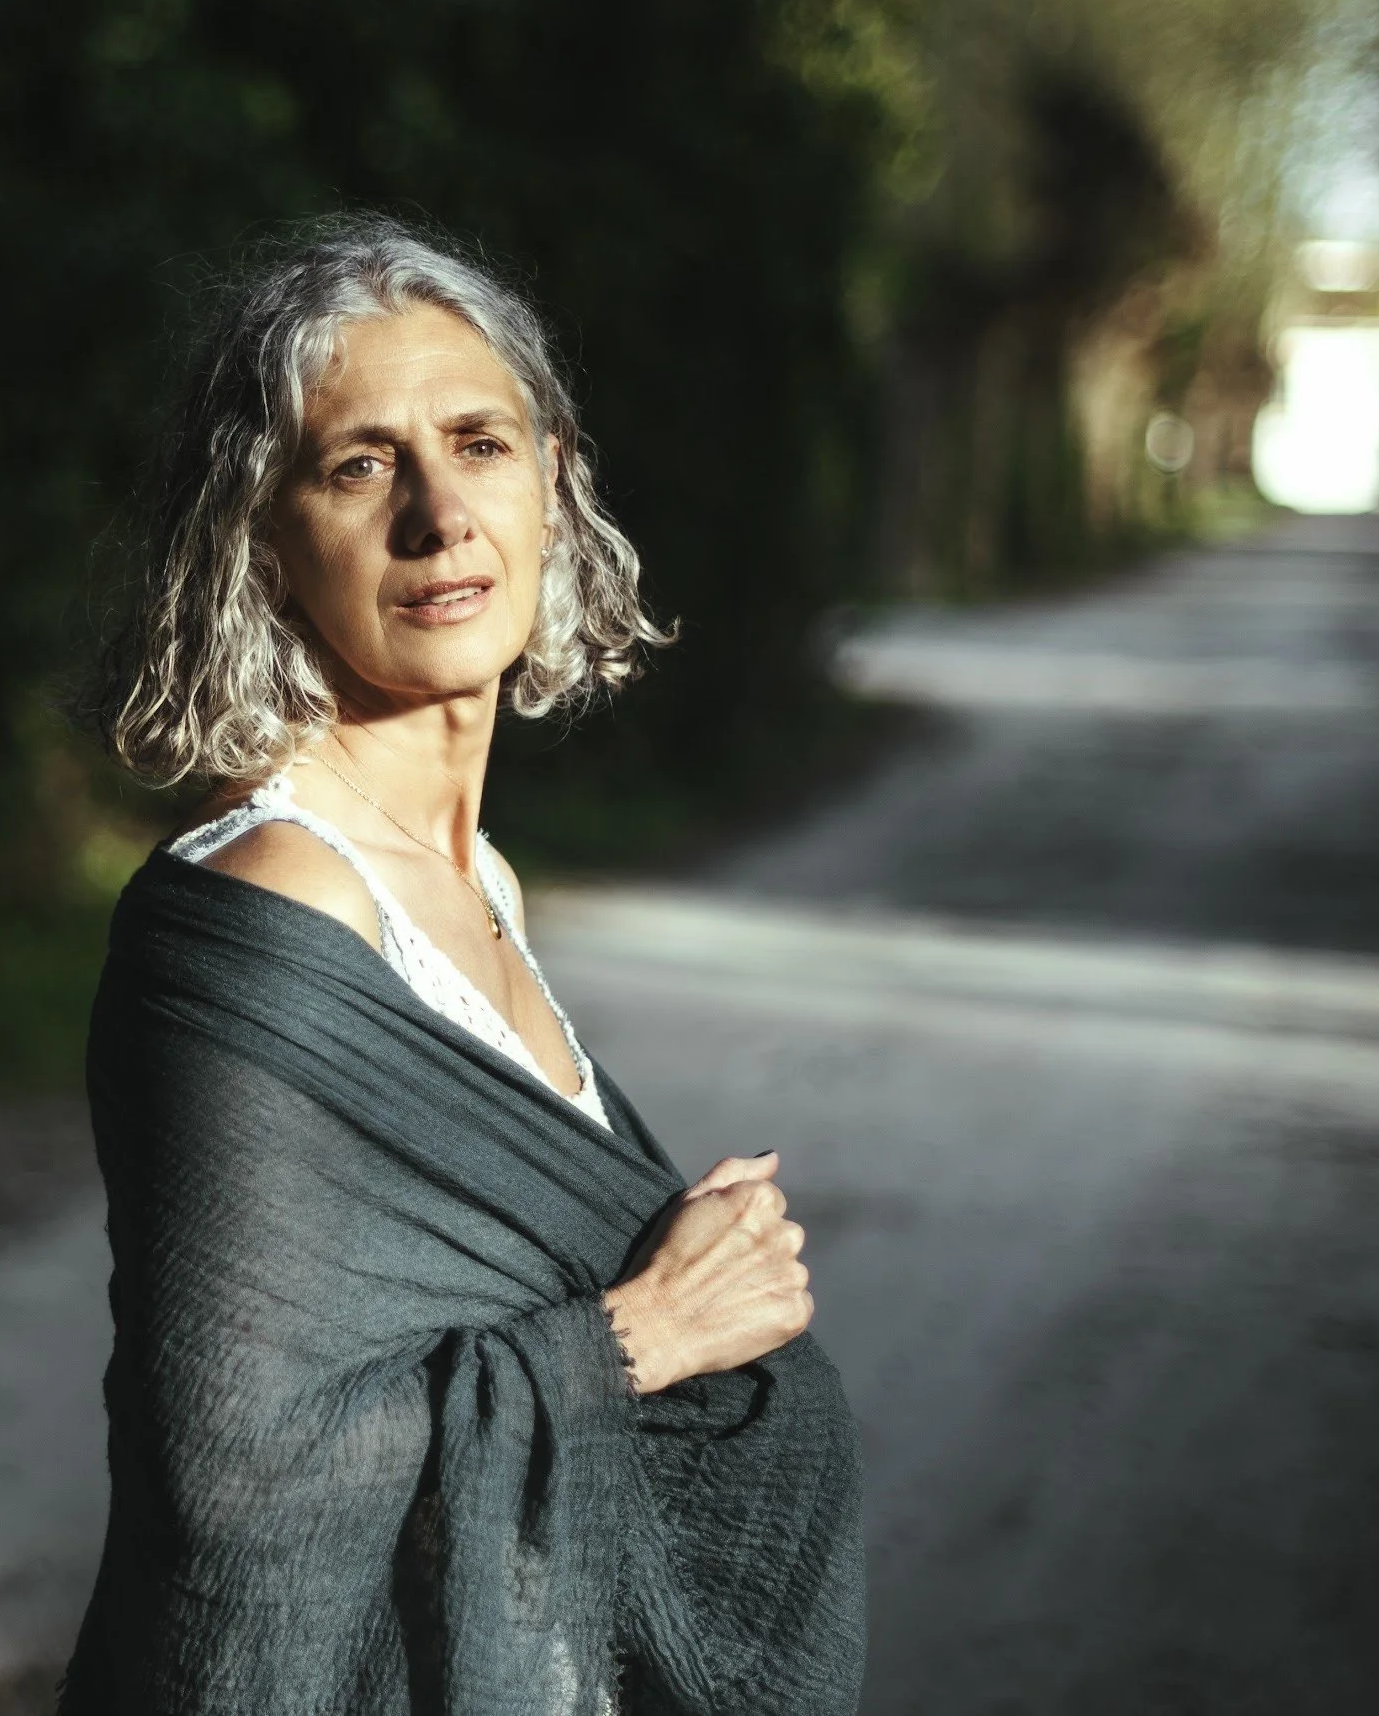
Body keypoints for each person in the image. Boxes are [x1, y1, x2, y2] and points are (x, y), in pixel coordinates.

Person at [56, 217, 864, 1715]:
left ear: (553, 481)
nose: (438, 516)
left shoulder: (467, 876)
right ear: (259, 532)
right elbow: (242, 1473)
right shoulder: (271, 907)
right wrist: (645, 1332)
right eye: (359, 466)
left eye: (478, 442)